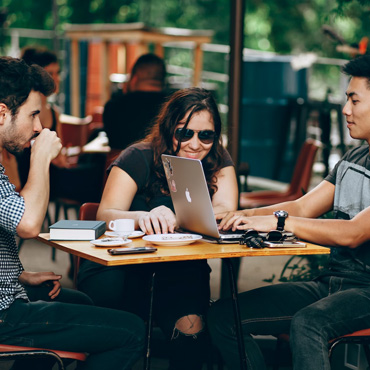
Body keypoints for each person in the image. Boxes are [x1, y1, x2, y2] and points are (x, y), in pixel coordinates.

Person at [207, 54, 370, 370]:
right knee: (224, 316)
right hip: (331, 284)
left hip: (367, 291)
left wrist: (279, 223)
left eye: (354, 100)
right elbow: (302, 206)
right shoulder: (356, 156)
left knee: (308, 323)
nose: (345, 109)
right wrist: (240, 217)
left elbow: (354, 233)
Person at [77, 87, 239, 370]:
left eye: (206, 135)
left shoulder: (217, 159)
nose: (195, 143)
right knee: (122, 333)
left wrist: (181, 215)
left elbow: (225, 210)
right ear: (168, 130)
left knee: (192, 334)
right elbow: (104, 214)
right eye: (184, 133)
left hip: (180, 268)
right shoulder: (137, 156)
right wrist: (142, 216)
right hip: (122, 266)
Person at [0, 56, 145, 369]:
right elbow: (27, 224)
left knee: (79, 301)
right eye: (34, 115)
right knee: (132, 331)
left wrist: (18, 275)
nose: (39, 126)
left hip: (6, 295)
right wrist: (41, 157)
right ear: (2, 113)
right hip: (4, 314)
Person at [18, 45, 105, 204]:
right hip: (40, 180)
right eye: (50, 73)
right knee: (99, 172)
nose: (56, 78)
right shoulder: (28, 110)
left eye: (57, 73)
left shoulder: (53, 112)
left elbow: (60, 155)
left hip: (50, 176)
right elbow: (59, 159)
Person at [103, 53, 168, 150]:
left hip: (119, 163)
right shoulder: (172, 107)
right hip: (159, 164)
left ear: (134, 78)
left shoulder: (113, 106)